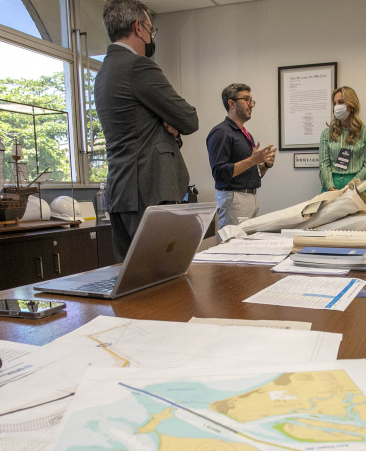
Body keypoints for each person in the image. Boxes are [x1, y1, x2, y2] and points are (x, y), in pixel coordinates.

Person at [95, 0, 198, 262]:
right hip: (149, 191)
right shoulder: (138, 66)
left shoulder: (104, 71)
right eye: (151, 29)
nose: (152, 36)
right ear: (138, 27)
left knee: (131, 281)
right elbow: (188, 118)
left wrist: (171, 131)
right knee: (163, 278)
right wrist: (173, 123)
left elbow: (138, 128)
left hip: (120, 192)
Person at [206, 83, 276, 228]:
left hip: (251, 198)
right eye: (246, 99)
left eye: (251, 100)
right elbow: (219, 174)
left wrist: (265, 164)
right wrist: (252, 160)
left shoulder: (245, 134)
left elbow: (252, 174)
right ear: (231, 103)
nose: (251, 105)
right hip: (234, 199)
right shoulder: (221, 132)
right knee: (234, 247)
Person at [319, 86, 366, 191]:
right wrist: (331, 188)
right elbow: (324, 165)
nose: (337, 107)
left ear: (352, 105)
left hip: (356, 187)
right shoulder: (326, 134)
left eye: (341, 102)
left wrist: (351, 188)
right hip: (331, 186)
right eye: (335, 103)